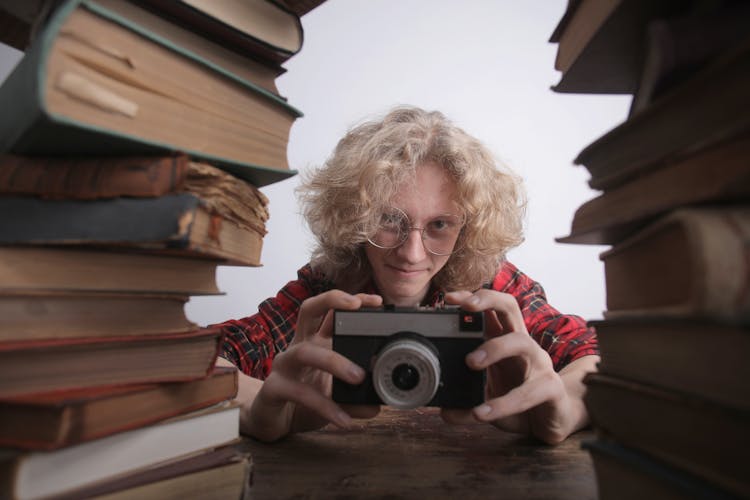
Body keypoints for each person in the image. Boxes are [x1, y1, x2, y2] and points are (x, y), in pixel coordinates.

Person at [215, 105, 599, 445]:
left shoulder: (490, 291)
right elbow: (199, 357)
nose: (412, 253)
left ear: (466, 228)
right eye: (388, 220)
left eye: (440, 225)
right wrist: (254, 411)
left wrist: (566, 408)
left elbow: (599, 356)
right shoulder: (327, 294)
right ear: (357, 216)